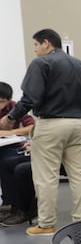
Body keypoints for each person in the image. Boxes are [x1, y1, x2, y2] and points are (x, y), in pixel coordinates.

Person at [0, 29, 81, 236]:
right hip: (77, 124)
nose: (34, 49)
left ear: (46, 43)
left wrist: (10, 118)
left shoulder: (40, 64)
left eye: (35, 45)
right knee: (78, 174)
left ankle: (46, 224)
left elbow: (30, 98)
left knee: (46, 177)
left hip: (51, 124)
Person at [0, 82, 35, 224]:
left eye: (2, 102)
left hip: (9, 145)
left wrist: (9, 132)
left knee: (7, 163)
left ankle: (11, 203)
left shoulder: (14, 107)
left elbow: (31, 126)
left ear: (9, 100)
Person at [0, 142, 36, 227]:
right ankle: (10, 204)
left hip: (52, 154)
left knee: (21, 169)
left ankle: (26, 210)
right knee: (5, 163)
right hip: (40, 148)